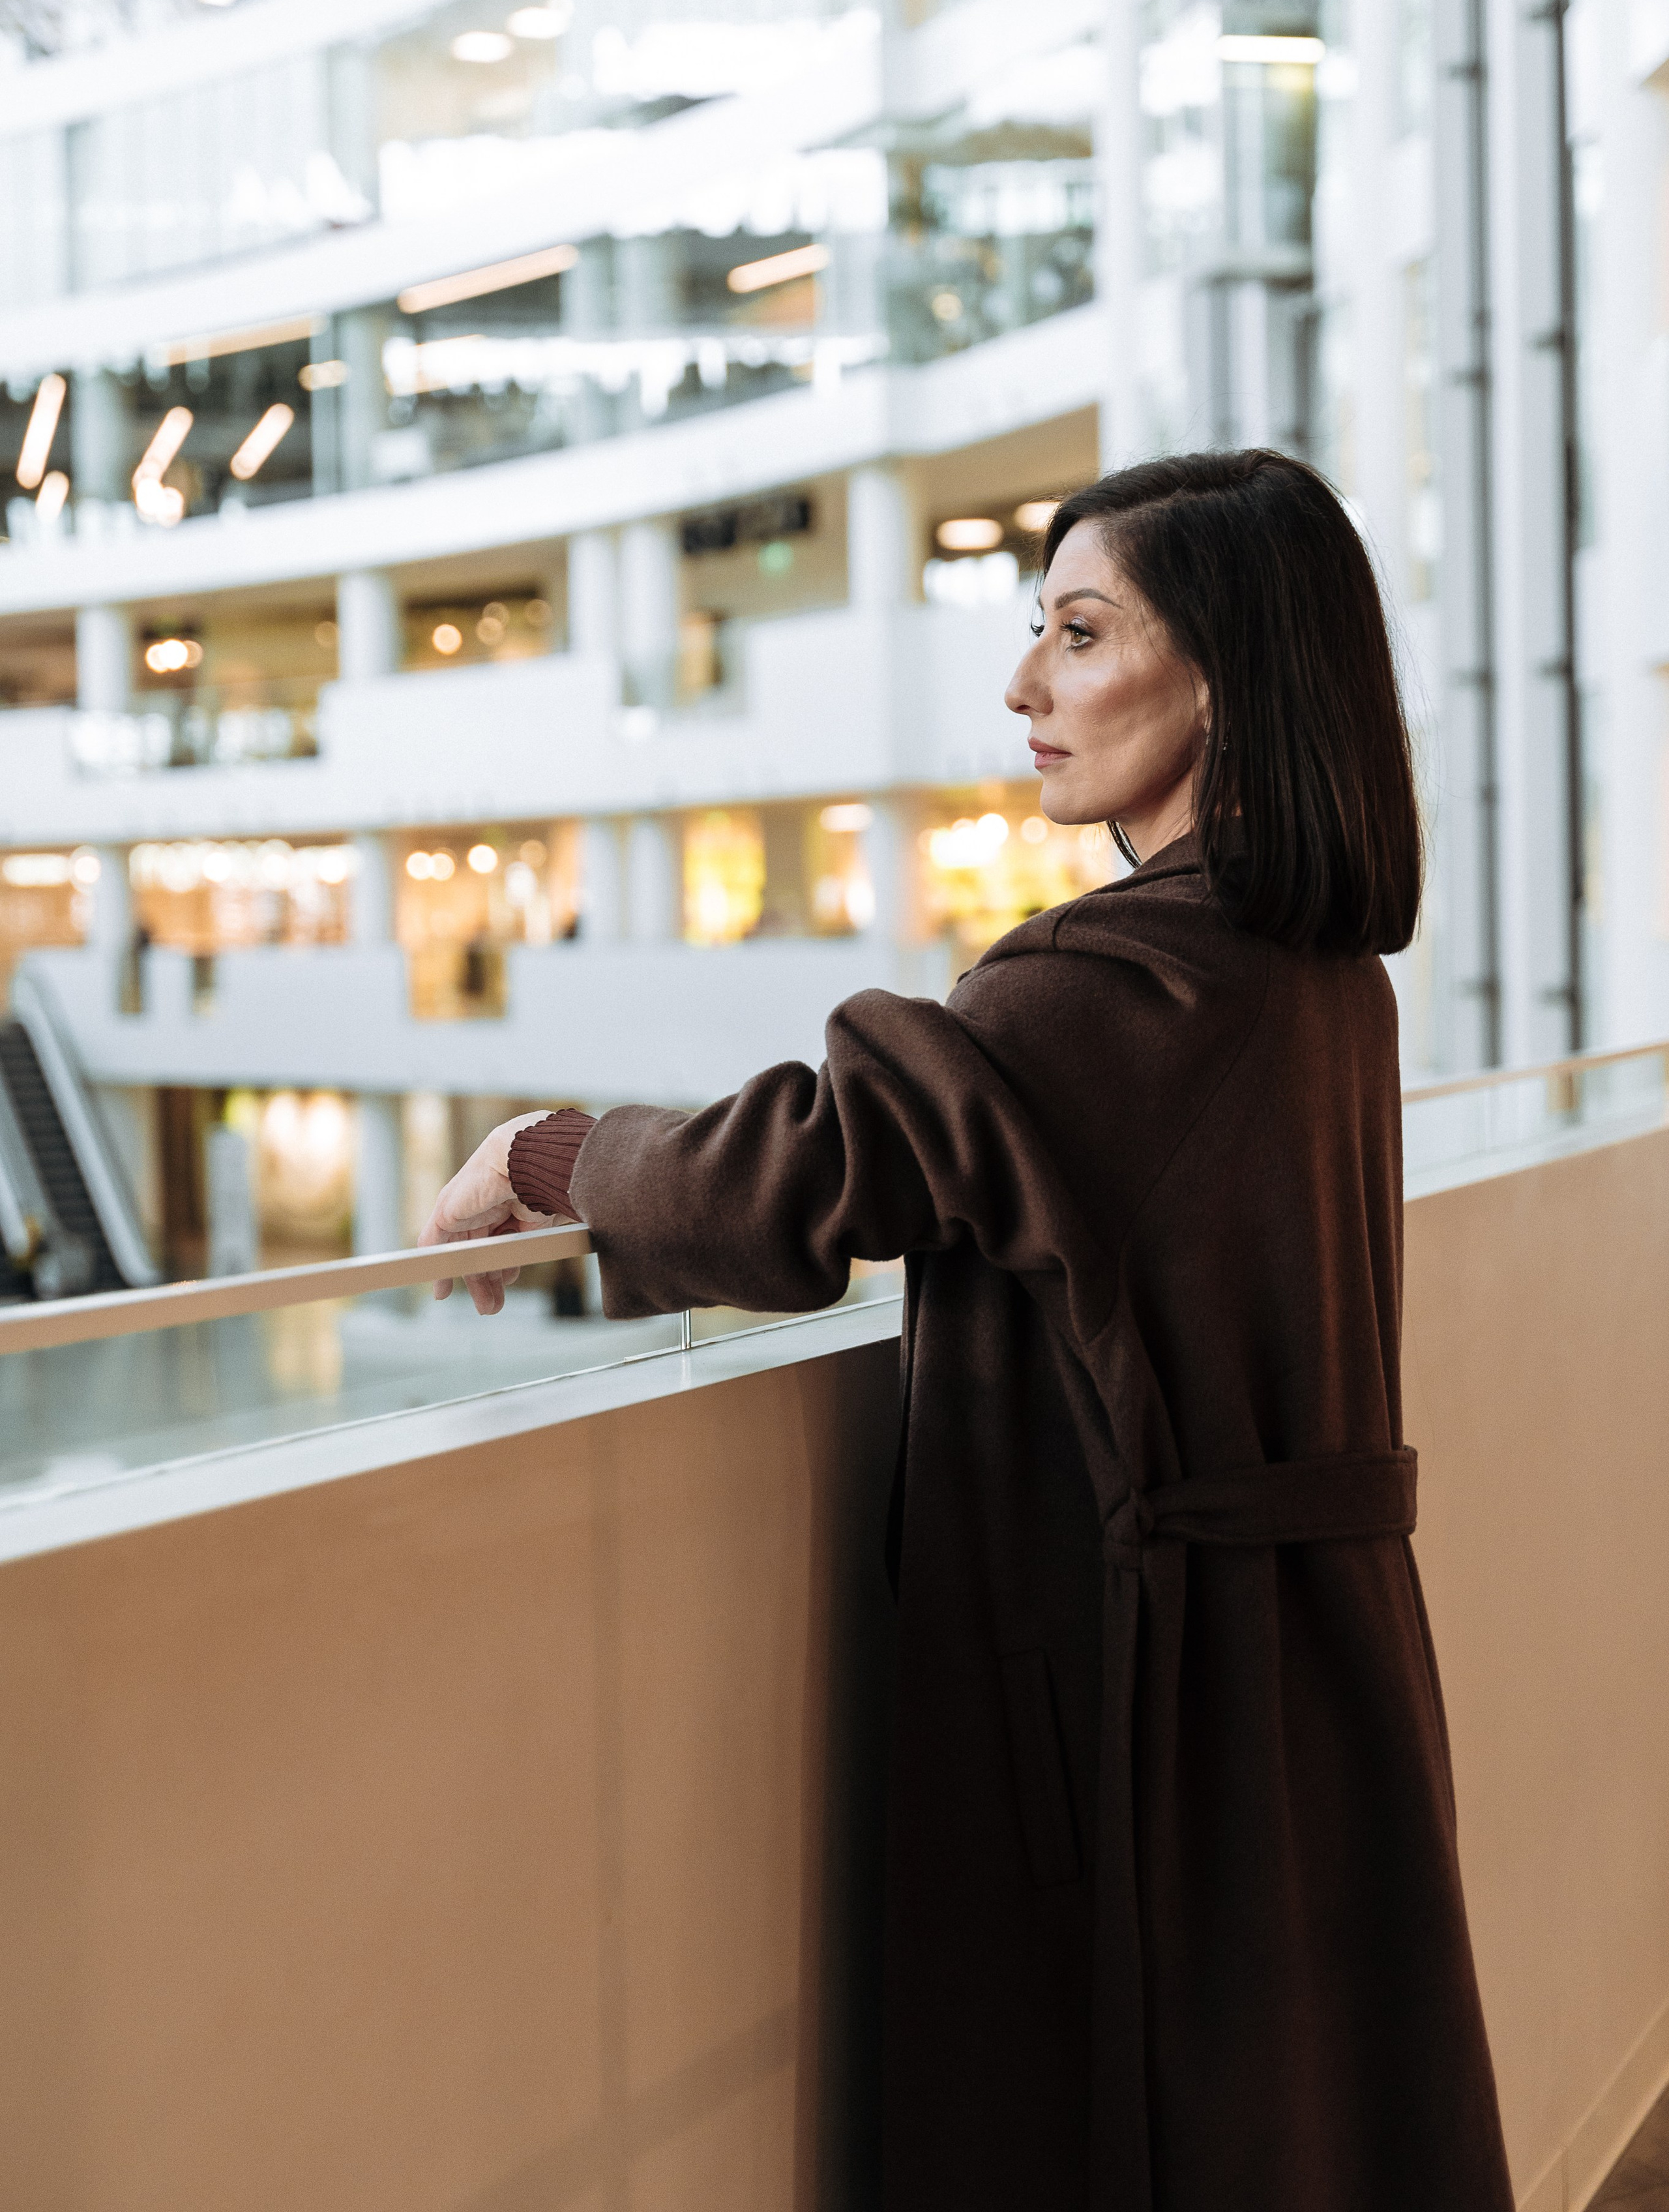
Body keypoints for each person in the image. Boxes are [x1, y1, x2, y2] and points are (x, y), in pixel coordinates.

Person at [420, 449, 1515, 2212]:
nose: (1026, 687)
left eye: (1080, 636)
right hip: (1312, 1669)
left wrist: (546, 1153)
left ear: (1227, 672)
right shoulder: (1322, 973)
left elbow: (807, 1172)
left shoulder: (1126, 983)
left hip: (1155, 1710)